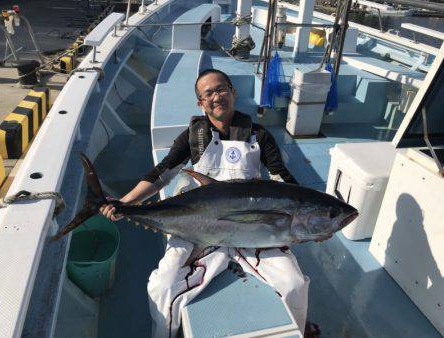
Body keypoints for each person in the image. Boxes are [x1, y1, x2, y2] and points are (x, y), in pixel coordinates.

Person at [101, 69, 310, 338]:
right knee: (162, 286)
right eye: (208, 93)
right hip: (198, 227)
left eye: (221, 89)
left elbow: (282, 178)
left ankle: (301, 331)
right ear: (201, 103)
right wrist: (125, 203)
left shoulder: (258, 135)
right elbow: (162, 173)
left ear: (233, 92)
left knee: (293, 283)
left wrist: (304, 220)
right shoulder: (193, 137)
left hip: (251, 229)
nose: (216, 97)